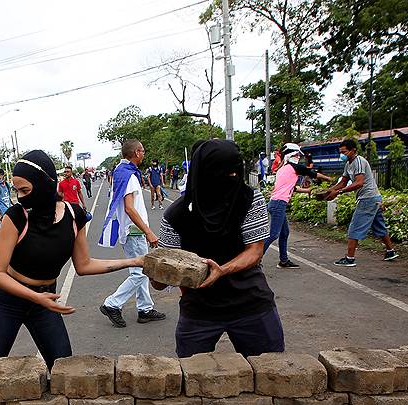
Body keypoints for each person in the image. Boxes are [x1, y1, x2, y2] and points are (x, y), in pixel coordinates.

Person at [0, 150, 143, 368]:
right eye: (16, 190)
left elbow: (84, 265)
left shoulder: (74, 215)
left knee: (63, 365)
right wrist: (36, 298)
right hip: (9, 301)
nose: (20, 197)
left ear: (45, 183)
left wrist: (132, 262)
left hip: (45, 300)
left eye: (25, 190)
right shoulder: (16, 216)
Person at [154, 139, 283, 358]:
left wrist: (222, 270)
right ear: (202, 172)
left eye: (234, 173)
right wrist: (155, 269)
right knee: (191, 377)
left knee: (272, 371)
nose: (231, 180)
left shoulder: (250, 199)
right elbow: (161, 280)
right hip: (199, 310)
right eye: (223, 174)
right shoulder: (175, 215)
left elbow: (255, 250)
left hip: (251, 304)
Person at [99, 139, 166, 327]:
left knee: (141, 271)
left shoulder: (122, 172)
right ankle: (112, 304)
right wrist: (148, 231)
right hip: (134, 231)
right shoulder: (128, 176)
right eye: (142, 151)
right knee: (140, 273)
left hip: (131, 230)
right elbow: (129, 208)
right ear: (136, 153)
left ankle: (145, 309)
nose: (144, 154)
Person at [326, 139, 398, 266]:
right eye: (340, 152)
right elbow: (343, 182)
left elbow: (359, 183)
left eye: (344, 152)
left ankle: (350, 258)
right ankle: (390, 251)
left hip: (368, 199)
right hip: (373, 198)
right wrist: (329, 190)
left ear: (353, 150)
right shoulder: (348, 164)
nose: (342, 155)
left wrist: (339, 192)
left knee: (355, 228)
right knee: (379, 226)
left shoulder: (359, 161)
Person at [263, 143, 331, 269]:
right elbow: (313, 174)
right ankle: (254, 260)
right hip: (279, 203)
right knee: (273, 234)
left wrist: (307, 190)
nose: (299, 157)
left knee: (284, 233)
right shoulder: (294, 167)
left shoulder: (283, 169)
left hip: (276, 203)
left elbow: (291, 188)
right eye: (298, 154)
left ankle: (283, 261)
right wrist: (329, 179)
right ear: (292, 154)